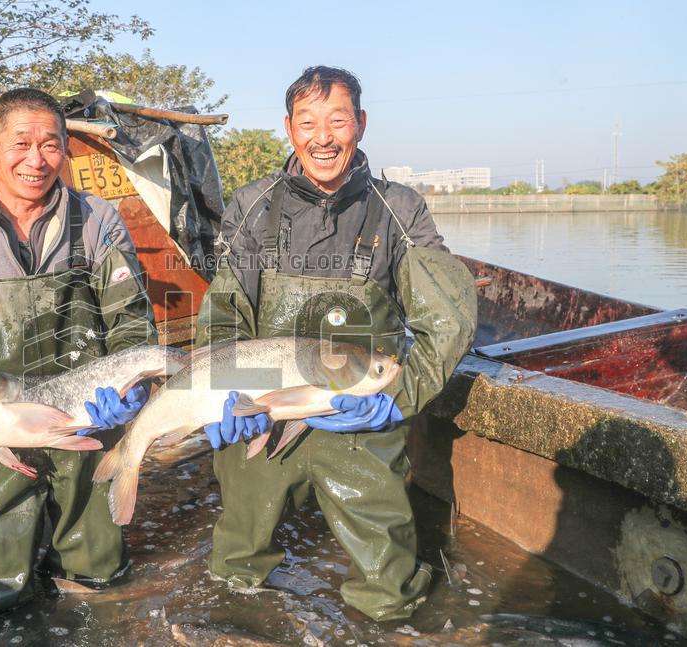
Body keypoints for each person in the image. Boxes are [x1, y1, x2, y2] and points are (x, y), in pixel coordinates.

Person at [195, 66, 477, 621]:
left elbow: (447, 322)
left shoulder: (400, 208)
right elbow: (225, 313)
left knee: (389, 592)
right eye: (308, 122)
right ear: (289, 129)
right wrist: (224, 397)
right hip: (266, 413)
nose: (323, 137)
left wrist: (392, 401)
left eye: (338, 120)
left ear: (361, 125)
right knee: (235, 567)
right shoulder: (252, 203)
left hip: (361, 419)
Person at [0, 87, 157, 616]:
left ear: (66, 149)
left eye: (51, 145)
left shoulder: (100, 221)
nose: (36, 160)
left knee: (100, 587)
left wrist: (136, 388)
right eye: (20, 143)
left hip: (86, 425)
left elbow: (132, 331)